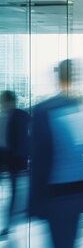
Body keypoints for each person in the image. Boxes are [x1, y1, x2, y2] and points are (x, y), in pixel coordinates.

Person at [29, 59, 83, 248]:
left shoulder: (44, 110)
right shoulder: (80, 108)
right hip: (74, 194)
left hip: (56, 195)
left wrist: (34, 201)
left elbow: (38, 159)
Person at [0, 90, 30, 237]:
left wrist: (25, 155)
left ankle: (10, 222)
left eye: (4, 100)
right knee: (13, 189)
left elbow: (28, 136)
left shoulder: (22, 115)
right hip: (3, 156)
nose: (3, 103)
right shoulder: (2, 116)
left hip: (14, 158)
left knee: (14, 190)